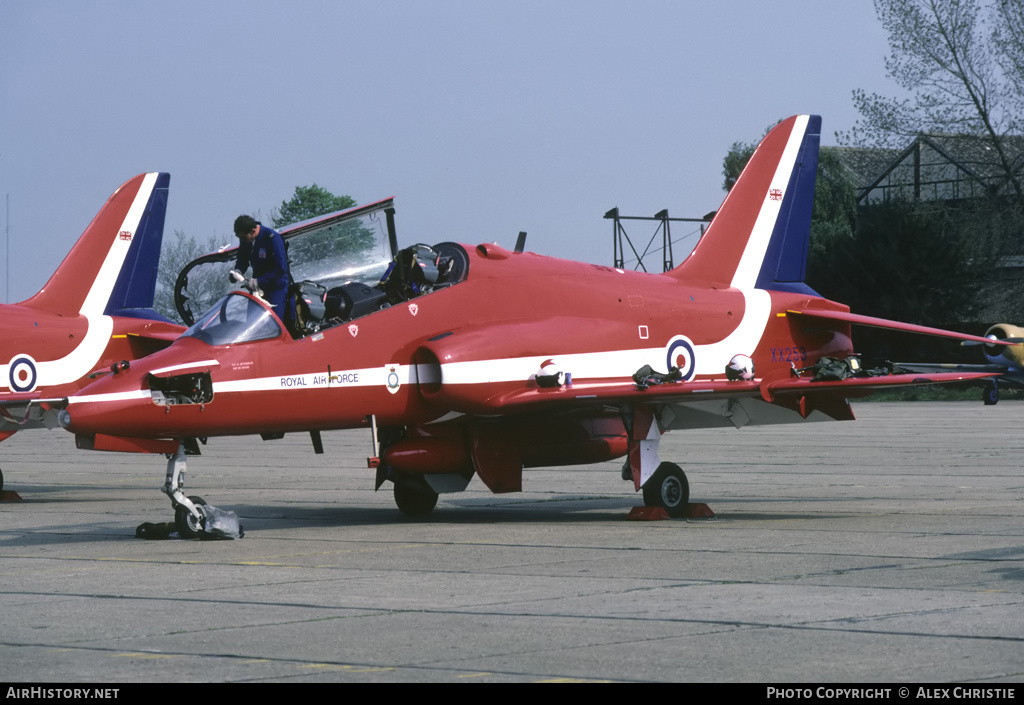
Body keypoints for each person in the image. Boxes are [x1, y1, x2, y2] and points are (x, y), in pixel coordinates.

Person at [230, 215, 291, 324]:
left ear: (253, 231)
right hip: (257, 289)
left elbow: (281, 268)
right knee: (252, 323)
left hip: (276, 288)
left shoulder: (272, 238)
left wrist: (259, 281)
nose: (242, 240)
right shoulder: (246, 240)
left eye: (244, 238)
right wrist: (238, 271)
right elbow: (242, 258)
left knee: (274, 325)